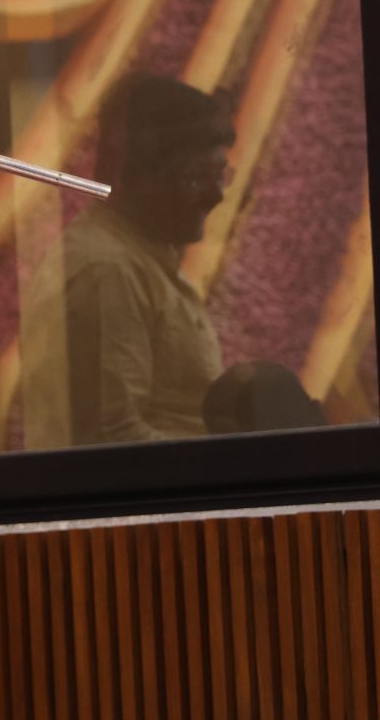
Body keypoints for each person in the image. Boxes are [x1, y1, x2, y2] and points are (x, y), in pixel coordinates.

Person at [18, 74, 235, 447]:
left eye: (221, 175)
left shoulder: (138, 258)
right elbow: (114, 445)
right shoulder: (108, 271)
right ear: (139, 175)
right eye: (197, 177)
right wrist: (236, 464)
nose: (217, 196)